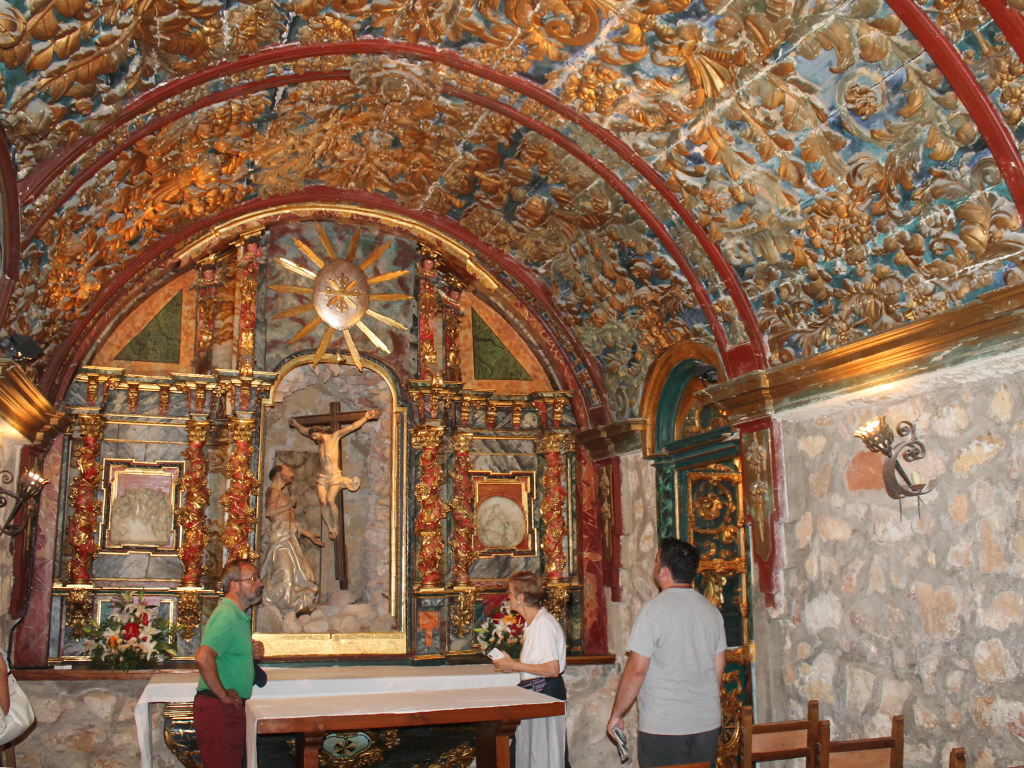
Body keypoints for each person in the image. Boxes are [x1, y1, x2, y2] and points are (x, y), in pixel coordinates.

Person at [606, 538, 726, 767]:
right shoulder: (712, 612)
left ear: (664, 572)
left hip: (665, 726)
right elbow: (718, 668)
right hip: (707, 725)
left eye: (655, 562)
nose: (654, 568)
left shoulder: (652, 612)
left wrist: (617, 714)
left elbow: (637, 671)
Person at [490, 571, 569, 768]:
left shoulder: (543, 623)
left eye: (509, 593)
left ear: (521, 597)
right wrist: (513, 666)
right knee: (528, 752)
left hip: (546, 693)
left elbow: (552, 669)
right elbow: (538, 664)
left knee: (546, 755)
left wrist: (514, 665)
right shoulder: (532, 623)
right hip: (536, 693)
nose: (507, 597)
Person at [194, 560, 265, 768]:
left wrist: (253, 653)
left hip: (226, 709)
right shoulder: (227, 614)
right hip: (219, 709)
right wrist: (223, 694)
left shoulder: (237, 615)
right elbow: (203, 657)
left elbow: (226, 654)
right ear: (234, 585)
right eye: (253, 578)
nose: (259, 583)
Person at [288, 409, 378, 541]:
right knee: (322, 501)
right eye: (312, 437)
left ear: (320, 431)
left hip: (334, 475)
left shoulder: (334, 437)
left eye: (315, 436)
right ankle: (330, 527)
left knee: (330, 500)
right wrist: (295, 424)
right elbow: (304, 431)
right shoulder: (319, 442)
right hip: (323, 476)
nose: (314, 439)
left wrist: (365, 418)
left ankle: (335, 526)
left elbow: (351, 427)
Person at [259, 464, 323, 613]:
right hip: (279, 539)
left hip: (287, 537)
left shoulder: (280, 493)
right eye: (288, 470)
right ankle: (281, 607)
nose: (292, 474)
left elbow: (291, 523)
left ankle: (295, 606)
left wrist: (309, 535)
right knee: (285, 574)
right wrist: (288, 506)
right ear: (279, 473)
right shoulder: (273, 491)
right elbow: (269, 512)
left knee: (303, 573)